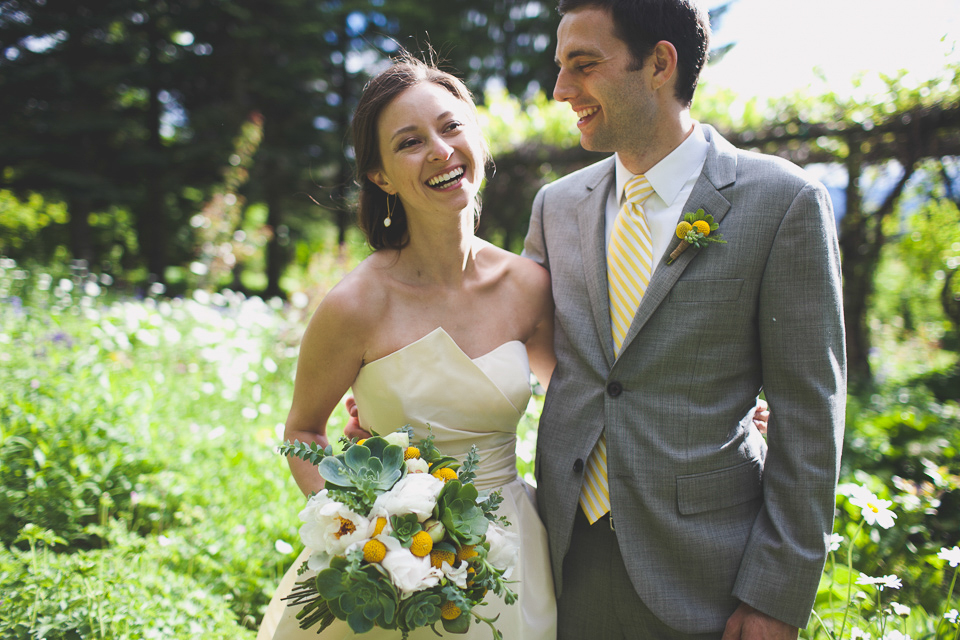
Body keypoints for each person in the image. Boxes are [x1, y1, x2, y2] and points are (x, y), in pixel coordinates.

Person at [521, 0, 846, 639]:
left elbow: (811, 417)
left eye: (583, 65)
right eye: (560, 67)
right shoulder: (554, 207)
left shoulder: (783, 202)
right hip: (562, 561)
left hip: (707, 576)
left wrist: (775, 598)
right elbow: (510, 334)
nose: (561, 90)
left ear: (659, 64)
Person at [255, 56, 558, 639]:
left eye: (451, 127)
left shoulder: (529, 287)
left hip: (512, 555)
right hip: (393, 567)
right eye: (410, 142)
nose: (441, 151)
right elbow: (304, 432)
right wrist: (363, 526)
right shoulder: (354, 306)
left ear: (476, 136)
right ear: (381, 177)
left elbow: (586, 399)